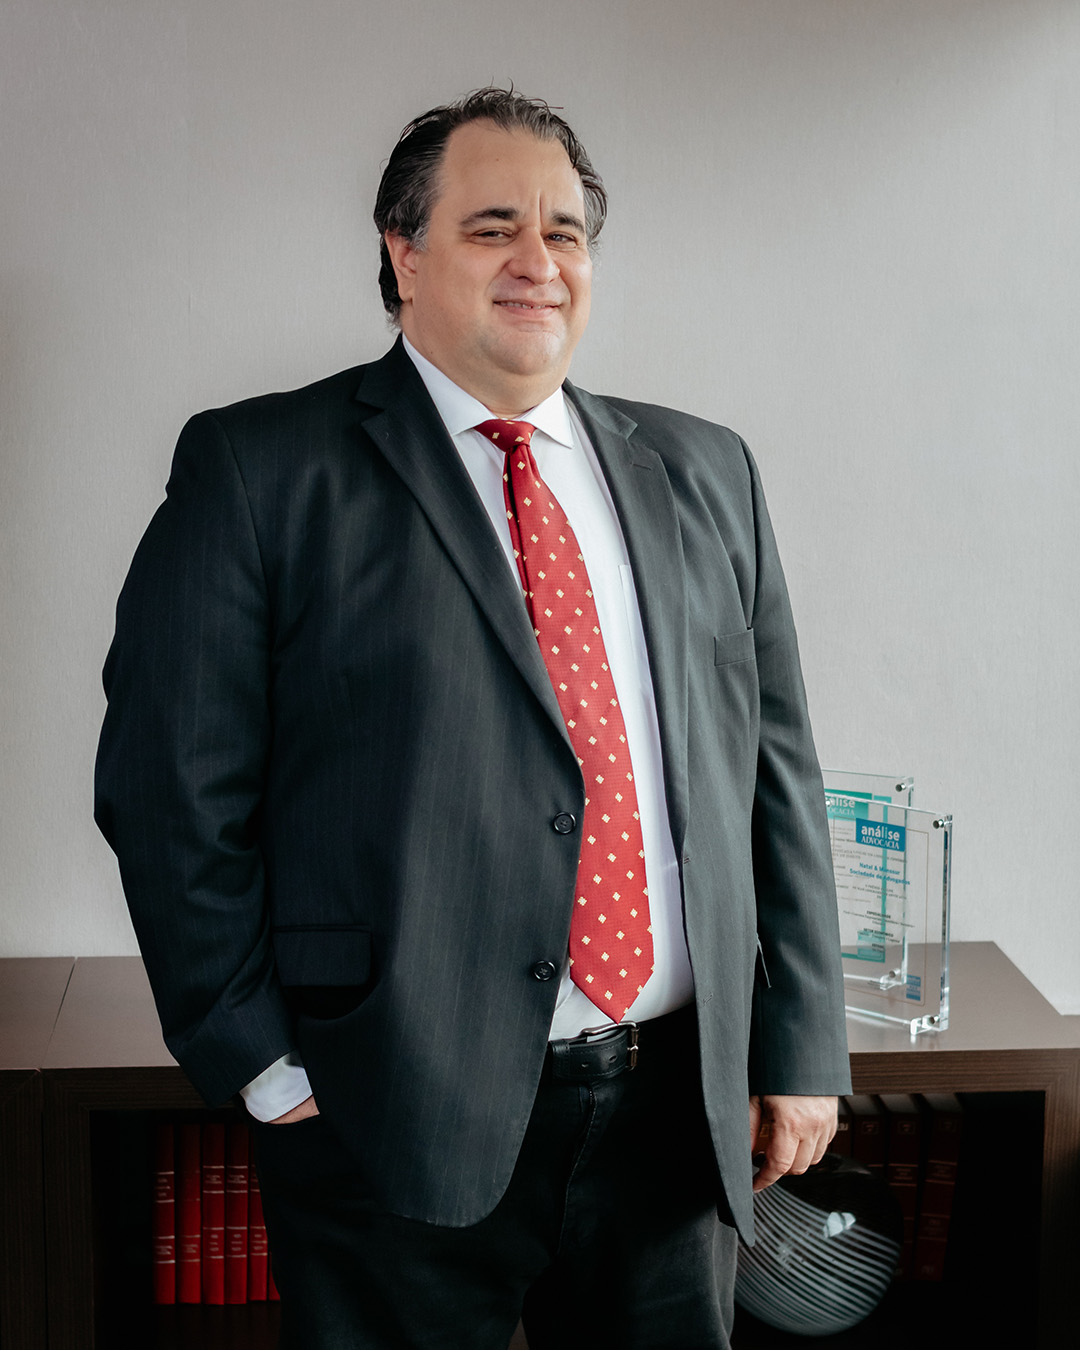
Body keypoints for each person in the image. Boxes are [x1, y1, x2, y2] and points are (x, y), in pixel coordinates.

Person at [95, 87, 851, 1349]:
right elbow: (169, 787)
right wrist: (260, 1062)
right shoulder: (261, 470)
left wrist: (804, 1041)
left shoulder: (706, 469)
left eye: (564, 231)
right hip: (387, 1111)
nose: (537, 261)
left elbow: (778, 771)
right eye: (494, 226)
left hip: (677, 1113)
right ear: (404, 255)